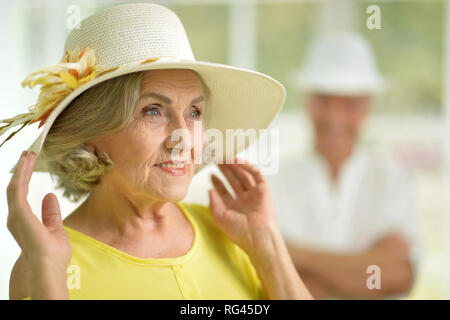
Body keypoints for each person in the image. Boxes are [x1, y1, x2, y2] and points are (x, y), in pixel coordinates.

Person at [3, 3, 312, 300]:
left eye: (194, 112)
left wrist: (267, 242)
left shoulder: (234, 232)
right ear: (90, 135)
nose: (183, 139)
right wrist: (49, 270)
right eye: (153, 111)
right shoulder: (45, 263)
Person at [267, 32, 421, 299]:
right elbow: (267, 277)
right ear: (307, 102)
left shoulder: (394, 179)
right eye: (325, 101)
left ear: (367, 108)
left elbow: (398, 277)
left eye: (350, 105)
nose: (335, 118)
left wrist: (289, 255)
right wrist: (369, 262)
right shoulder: (274, 180)